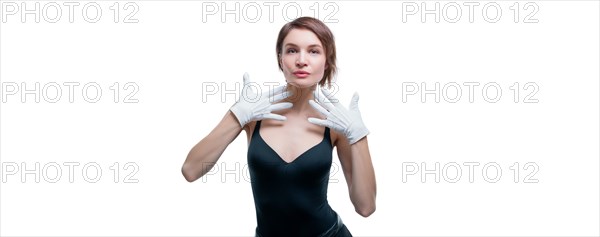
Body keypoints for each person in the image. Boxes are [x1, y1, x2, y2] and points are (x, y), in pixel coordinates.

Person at [182, 16, 376, 237]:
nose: (301, 60)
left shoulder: (337, 124)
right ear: (280, 59)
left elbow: (365, 207)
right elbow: (191, 170)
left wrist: (359, 136)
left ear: (327, 61)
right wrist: (236, 116)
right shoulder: (254, 113)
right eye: (292, 50)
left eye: (314, 51)